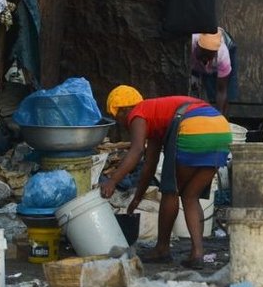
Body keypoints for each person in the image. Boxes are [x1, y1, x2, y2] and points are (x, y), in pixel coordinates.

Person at [99, 85, 231, 269]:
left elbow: (136, 151)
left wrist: (112, 181)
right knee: (190, 196)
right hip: (221, 129)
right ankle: (197, 253)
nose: (122, 122)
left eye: (117, 117)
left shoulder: (137, 113)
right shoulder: (155, 117)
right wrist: (137, 197)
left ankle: (162, 249)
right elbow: (149, 165)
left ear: (122, 111)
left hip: (193, 127)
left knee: (171, 190)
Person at [190, 28, 237, 115]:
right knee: (196, 87)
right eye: (203, 54)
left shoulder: (222, 56)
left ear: (215, 53)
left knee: (224, 91)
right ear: (198, 46)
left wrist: (219, 115)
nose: (205, 58)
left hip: (227, 46)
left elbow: (222, 90)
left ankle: (222, 120)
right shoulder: (190, 44)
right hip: (195, 59)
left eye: (208, 56)